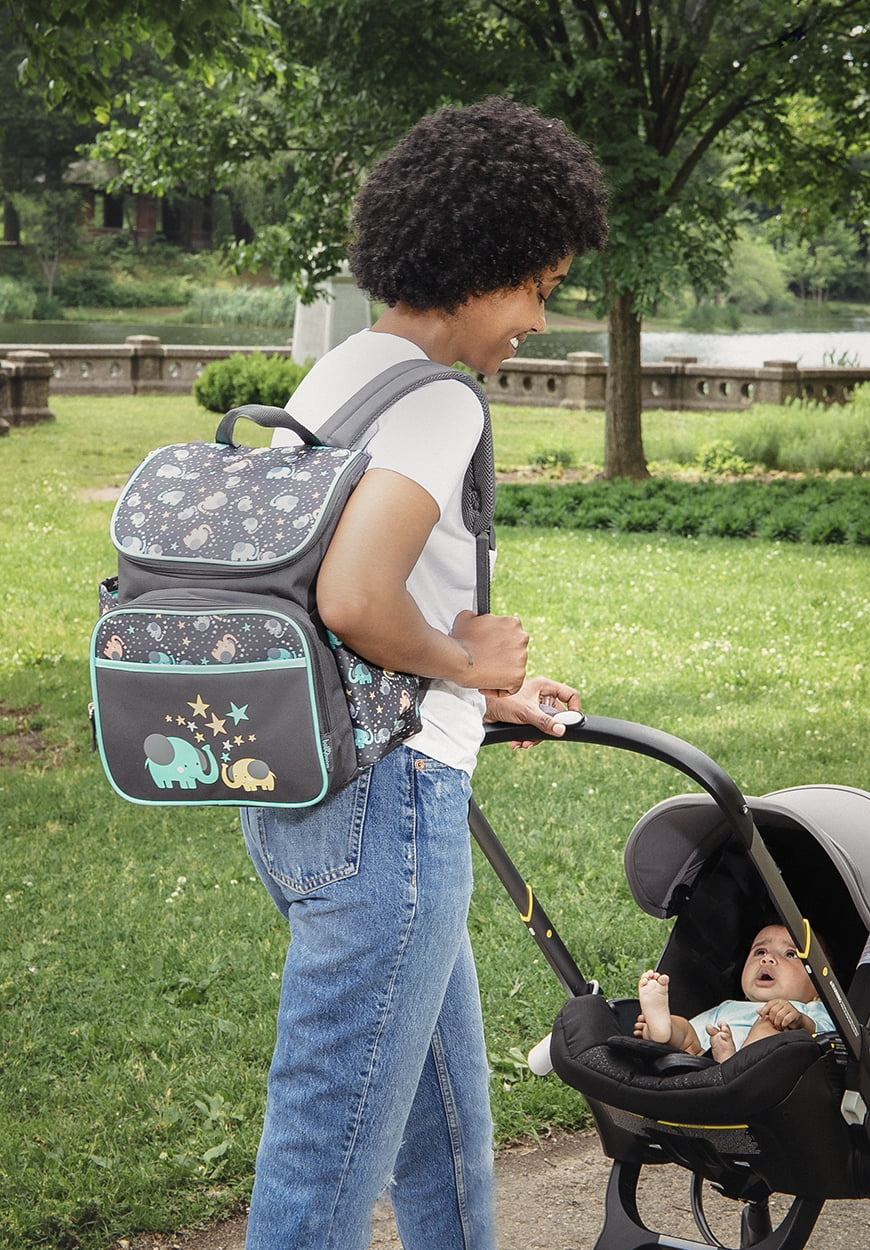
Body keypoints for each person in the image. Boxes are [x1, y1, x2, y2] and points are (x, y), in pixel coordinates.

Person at [239, 97, 608, 1250]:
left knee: (443, 1124)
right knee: (331, 1141)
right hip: (386, 812)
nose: (539, 319)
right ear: (484, 262)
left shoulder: (345, 368)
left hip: (302, 785)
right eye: (538, 287)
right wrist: (467, 655)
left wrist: (474, 694)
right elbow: (354, 596)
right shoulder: (440, 396)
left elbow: (316, 605)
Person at [635, 924, 837, 1062]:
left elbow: (829, 1036)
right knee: (686, 1030)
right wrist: (673, 1028)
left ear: (819, 990)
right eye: (760, 952)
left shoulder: (813, 1007)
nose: (767, 960)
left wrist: (800, 1021)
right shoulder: (728, 1008)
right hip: (705, 1061)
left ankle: (734, 1066)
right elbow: (694, 1035)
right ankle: (661, 1030)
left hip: (762, 1074)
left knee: (772, 1021)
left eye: (790, 954)